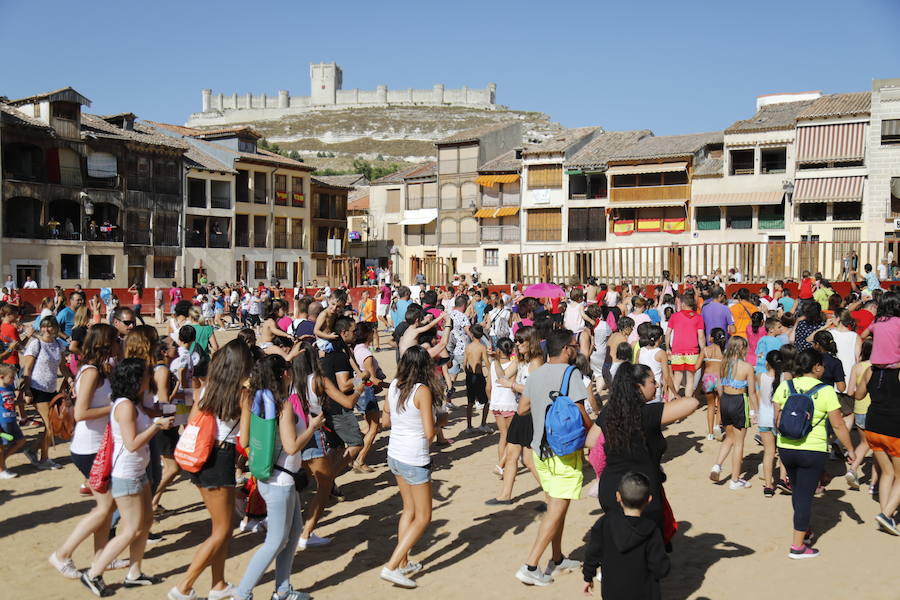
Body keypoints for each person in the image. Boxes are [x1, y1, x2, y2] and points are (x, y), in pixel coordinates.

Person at [80, 358, 175, 597]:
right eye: (145, 375)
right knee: (131, 529)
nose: (149, 379)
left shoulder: (133, 403)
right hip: (127, 474)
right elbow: (132, 444)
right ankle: (93, 572)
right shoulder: (125, 407)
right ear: (135, 380)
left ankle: (134, 573)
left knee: (145, 523)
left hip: (137, 471)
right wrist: (157, 426)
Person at [232, 354, 323, 600]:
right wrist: (313, 427)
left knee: (292, 536)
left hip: (269, 477)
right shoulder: (282, 405)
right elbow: (292, 446)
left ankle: (282, 590)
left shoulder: (254, 400)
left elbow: (244, 440)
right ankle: (242, 594)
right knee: (275, 541)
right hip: (280, 481)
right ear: (284, 374)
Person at [169, 340, 252, 600]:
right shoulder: (243, 394)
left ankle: (218, 584)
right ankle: (183, 587)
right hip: (222, 458)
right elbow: (246, 439)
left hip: (202, 457)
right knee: (222, 530)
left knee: (220, 527)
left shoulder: (207, 390)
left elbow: (191, 422)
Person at [589, 364, 699, 542]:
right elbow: (692, 403)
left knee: (619, 542)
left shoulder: (609, 413)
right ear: (638, 386)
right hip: (640, 491)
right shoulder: (648, 414)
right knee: (645, 547)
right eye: (652, 381)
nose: (656, 385)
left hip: (610, 488)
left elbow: (590, 441)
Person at [514, 329, 589, 587]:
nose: (577, 349)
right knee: (557, 507)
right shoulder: (572, 373)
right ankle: (531, 565)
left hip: (540, 449)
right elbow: (580, 409)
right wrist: (594, 429)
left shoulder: (536, 374)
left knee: (556, 506)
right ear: (566, 349)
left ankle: (556, 558)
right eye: (574, 345)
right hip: (563, 451)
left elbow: (522, 409)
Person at [49, 324, 122, 579]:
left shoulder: (101, 370)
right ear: (106, 343)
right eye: (116, 340)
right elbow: (81, 413)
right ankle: (63, 554)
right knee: (105, 507)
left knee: (108, 505)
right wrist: (115, 407)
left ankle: (101, 557)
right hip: (89, 448)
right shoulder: (90, 372)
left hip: (98, 446)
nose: (119, 344)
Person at [773, 349, 855, 558]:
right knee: (804, 497)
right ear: (816, 366)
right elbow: (838, 424)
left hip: (786, 446)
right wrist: (849, 448)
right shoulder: (826, 391)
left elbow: (777, 419)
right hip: (813, 448)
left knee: (798, 490)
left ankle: (804, 530)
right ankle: (798, 546)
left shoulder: (785, 386)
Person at [379, 346, 444, 588]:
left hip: (395, 453)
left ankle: (403, 562)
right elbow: (429, 432)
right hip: (414, 457)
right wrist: (440, 422)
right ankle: (392, 565)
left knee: (408, 510)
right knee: (424, 515)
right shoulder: (422, 390)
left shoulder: (395, 384)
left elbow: (387, 420)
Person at [582, 471, 670, 599]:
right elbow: (660, 567)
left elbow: (593, 552)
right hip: (644, 592)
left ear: (618, 496)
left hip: (613, 591)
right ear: (649, 499)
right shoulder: (651, 529)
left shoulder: (605, 522)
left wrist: (588, 575)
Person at [487, 326, 543, 505]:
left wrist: (512, 386)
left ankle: (551, 496)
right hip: (521, 411)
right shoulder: (520, 360)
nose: (517, 344)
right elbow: (502, 376)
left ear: (530, 341)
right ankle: (505, 495)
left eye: (520, 341)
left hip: (530, 412)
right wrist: (495, 360)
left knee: (528, 460)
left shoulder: (536, 361)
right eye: (516, 341)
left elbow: (534, 390)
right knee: (513, 455)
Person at [21, 316, 73, 470]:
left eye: (50, 326)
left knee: (53, 425)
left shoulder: (58, 345)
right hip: (37, 388)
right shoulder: (36, 344)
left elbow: (63, 367)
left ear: (56, 329)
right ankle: (44, 459)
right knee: (50, 425)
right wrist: (27, 389)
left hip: (51, 389)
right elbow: (27, 369)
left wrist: (70, 380)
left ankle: (31, 450)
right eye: (44, 326)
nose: (46, 329)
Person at [709, 336, 758, 489]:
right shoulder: (747, 367)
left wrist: (724, 402)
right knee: (739, 443)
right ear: (742, 348)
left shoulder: (723, 364)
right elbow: (752, 392)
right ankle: (735, 480)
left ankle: (717, 466)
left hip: (725, 401)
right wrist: (755, 410)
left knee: (729, 437)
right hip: (739, 401)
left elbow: (719, 387)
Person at [352, 322, 385, 472]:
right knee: (374, 427)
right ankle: (360, 459)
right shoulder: (366, 354)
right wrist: (391, 385)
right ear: (368, 335)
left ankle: (355, 454)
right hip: (367, 392)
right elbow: (372, 379)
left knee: (368, 425)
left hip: (357, 389)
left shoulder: (354, 350)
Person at [665, 293, 705, 397]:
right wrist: (703, 349)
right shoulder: (698, 317)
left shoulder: (674, 316)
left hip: (677, 350)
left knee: (677, 377)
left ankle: (672, 400)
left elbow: (668, 333)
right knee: (690, 378)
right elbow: (701, 336)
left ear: (683, 304)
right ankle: (687, 401)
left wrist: (667, 347)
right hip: (692, 350)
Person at [462, 324, 491, 434]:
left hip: (470, 376)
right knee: (486, 401)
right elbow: (487, 363)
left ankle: (469, 426)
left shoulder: (468, 347)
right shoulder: (482, 347)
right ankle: (483, 424)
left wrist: (467, 372)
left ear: (472, 334)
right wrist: (491, 374)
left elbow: (464, 363)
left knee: (470, 402)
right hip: (479, 376)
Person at [0, 365, 25, 478]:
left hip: (12, 419)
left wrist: (20, 402)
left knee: (21, 441)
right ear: (2, 377)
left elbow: (10, 402)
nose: (13, 380)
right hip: (2, 422)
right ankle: (1, 470)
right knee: (2, 447)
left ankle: (2, 460)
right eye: (11, 377)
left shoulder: (9, 388)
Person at [700, 328, 726, 440]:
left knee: (710, 405)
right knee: (719, 405)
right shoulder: (724, 352)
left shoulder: (705, 350)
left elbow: (696, 367)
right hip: (719, 379)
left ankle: (710, 433)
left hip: (708, 378)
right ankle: (717, 426)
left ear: (711, 338)